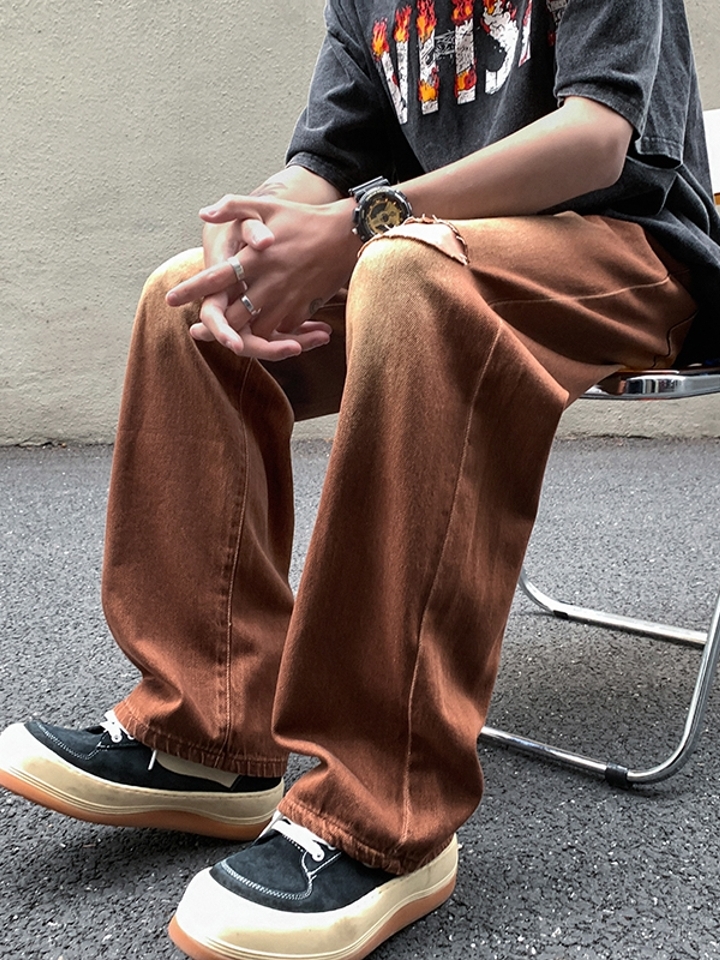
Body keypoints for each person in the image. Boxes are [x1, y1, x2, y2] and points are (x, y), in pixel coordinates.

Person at [2, 1, 720, 958]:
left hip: (633, 250)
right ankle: (207, 732)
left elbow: (596, 141)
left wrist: (364, 223)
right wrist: (248, 233)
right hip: (435, 242)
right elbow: (322, 165)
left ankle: (385, 810)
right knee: (186, 304)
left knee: (408, 274)